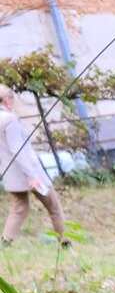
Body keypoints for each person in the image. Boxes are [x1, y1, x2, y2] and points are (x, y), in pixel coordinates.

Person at [0, 86, 68, 248]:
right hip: (30, 172)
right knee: (54, 207)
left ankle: (5, 243)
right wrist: (32, 176)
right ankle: (65, 242)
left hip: (10, 174)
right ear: (7, 100)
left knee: (20, 208)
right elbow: (17, 149)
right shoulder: (9, 119)